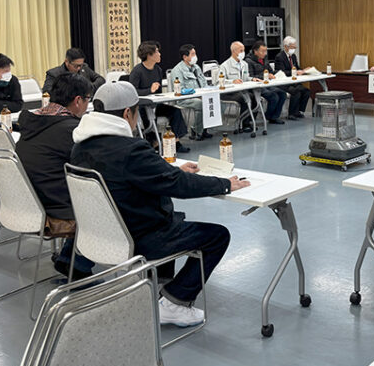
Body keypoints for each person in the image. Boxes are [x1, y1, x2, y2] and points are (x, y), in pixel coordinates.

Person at [71, 82, 249, 326]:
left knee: (175, 218)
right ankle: (175, 302)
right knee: (217, 236)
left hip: (99, 235)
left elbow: (130, 176)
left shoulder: (80, 145)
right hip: (139, 237)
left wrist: (169, 170)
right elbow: (179, 185)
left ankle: (160, 286)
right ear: (127, 113)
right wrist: (225, 184)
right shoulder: (131, 150)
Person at [16, 73, 95, 279]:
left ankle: (70, 258)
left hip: (28, 202)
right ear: (78, 101)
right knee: (112, 196)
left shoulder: (32, 121)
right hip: (55, 206)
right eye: (88, 99)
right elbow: (93, 167)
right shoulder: (72, 130)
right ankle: (76, 263)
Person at [128, 41, 189, 152]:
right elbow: (132, 92)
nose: (159, 54)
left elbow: (159, 92)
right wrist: (149, 90)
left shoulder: (158, 70)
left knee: (175, 111)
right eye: (157, 52)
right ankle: (154, 143)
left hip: (156, 104)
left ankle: (176, 141)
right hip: (141, 106)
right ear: (149, 55)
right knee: (148, 116)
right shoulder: (137, 71)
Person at [170, 44, 212, 141]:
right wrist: (195, 95)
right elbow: (179, 90)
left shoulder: (196, 67)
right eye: (192, 54)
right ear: (185, 57)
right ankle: (196, 130)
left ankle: (204, 129)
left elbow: (204, 82)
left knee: (214, 100)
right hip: (184, 99)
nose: (195, 56)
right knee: (201, 104)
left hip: (201, 95)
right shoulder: (177, 70)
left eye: (195, 54)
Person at [219, 41, 261, 132]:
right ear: (234, 51)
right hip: (229, 93)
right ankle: (243, 124)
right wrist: (232, 81)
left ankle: (250, 121)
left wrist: (252, 79)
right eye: (241, 51)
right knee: (246, 98)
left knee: (255, 98)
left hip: (242, 90)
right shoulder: (224, 66)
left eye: (243, 50)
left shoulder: (244, 64)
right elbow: (220, 82)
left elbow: (245, 78)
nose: (243, 53)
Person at [245, 41, 287, 125]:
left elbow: (270, 71)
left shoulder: (265, 59)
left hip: (267, 84)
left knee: (282, 94)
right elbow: (251, 77)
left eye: (266, 51)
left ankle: (274, 116)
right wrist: (265, 76)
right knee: (273, 96)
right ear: (255, 51)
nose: (265, 53)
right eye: (263, 51)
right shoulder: (248, 61)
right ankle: (268, 116)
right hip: (257, 86)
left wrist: (278, 73)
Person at [274, 36, 310, 118]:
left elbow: (297, 67)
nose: (294, 49)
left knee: (306, 91)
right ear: (286, 47)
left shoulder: (293, 56)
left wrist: (303, 71)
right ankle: (291, 113)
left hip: (293, 82)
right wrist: (295, 72)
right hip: (284, 83)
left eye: (294, 47)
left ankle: (299, 111)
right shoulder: (279, 57)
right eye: (292, 47)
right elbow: (282, 72)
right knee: (296, 92)